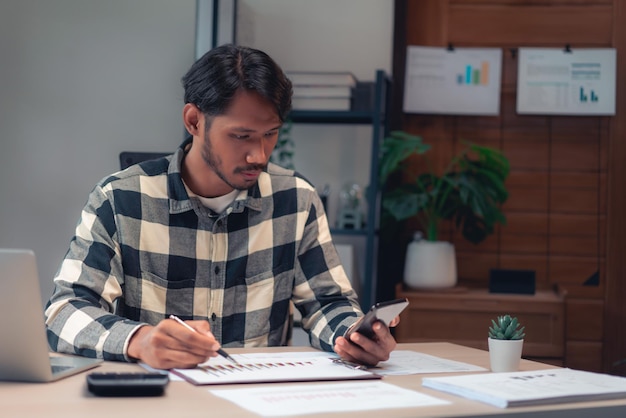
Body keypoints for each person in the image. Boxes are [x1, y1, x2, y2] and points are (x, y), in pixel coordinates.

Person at [45, 44, 398, 370]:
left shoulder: (296, 199)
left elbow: (328, 303)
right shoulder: (119, 199)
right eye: (241, 136)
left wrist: (352, 335)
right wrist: (140, 340)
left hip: (259, 399)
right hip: (159, 398)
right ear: (194, 121)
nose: (258, 155)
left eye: (271, 134)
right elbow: (64, 311)